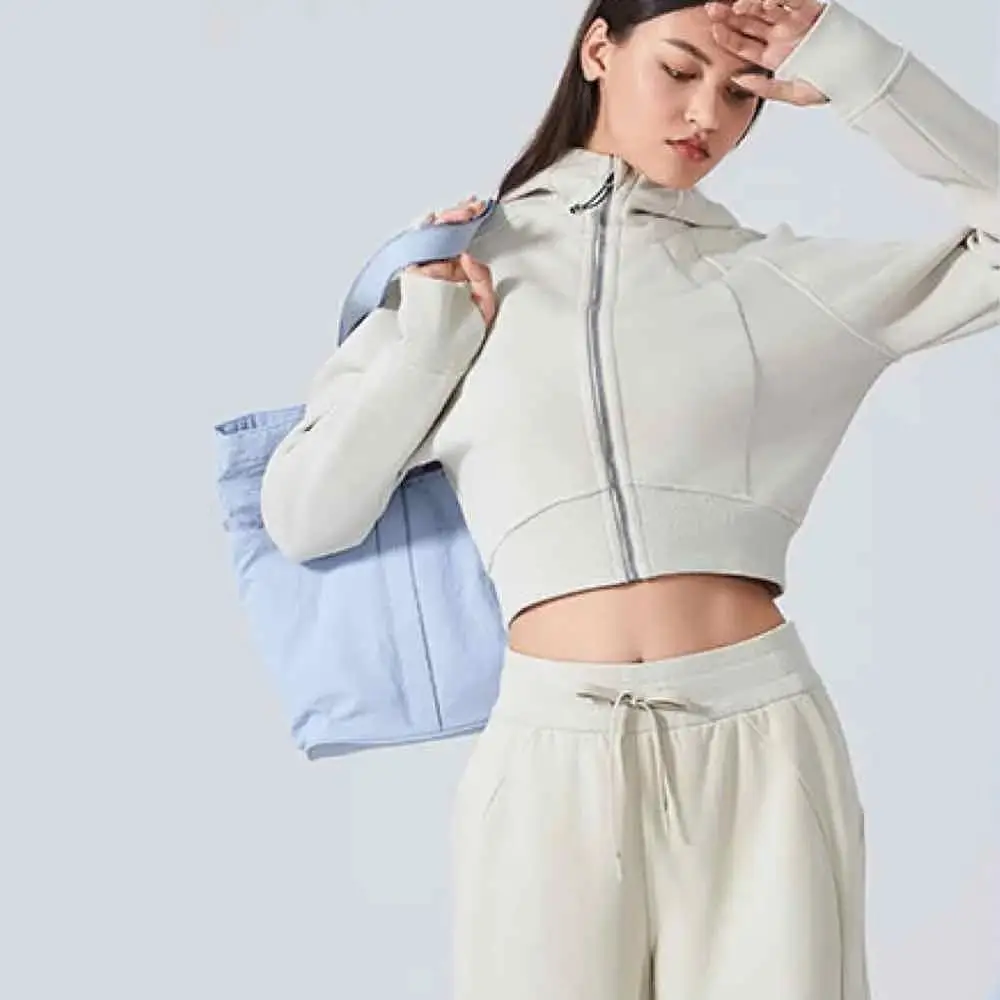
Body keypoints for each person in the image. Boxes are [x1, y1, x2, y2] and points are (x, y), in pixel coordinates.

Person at [259, 0, 998, 996]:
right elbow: (306, 517)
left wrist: (855, 65)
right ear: (598, 49)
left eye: (739, 93)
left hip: (757, 744)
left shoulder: (781, 281)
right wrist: (429, 341)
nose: (706, 115)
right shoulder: (457, 269)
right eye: (679, 70)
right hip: (546, 754)